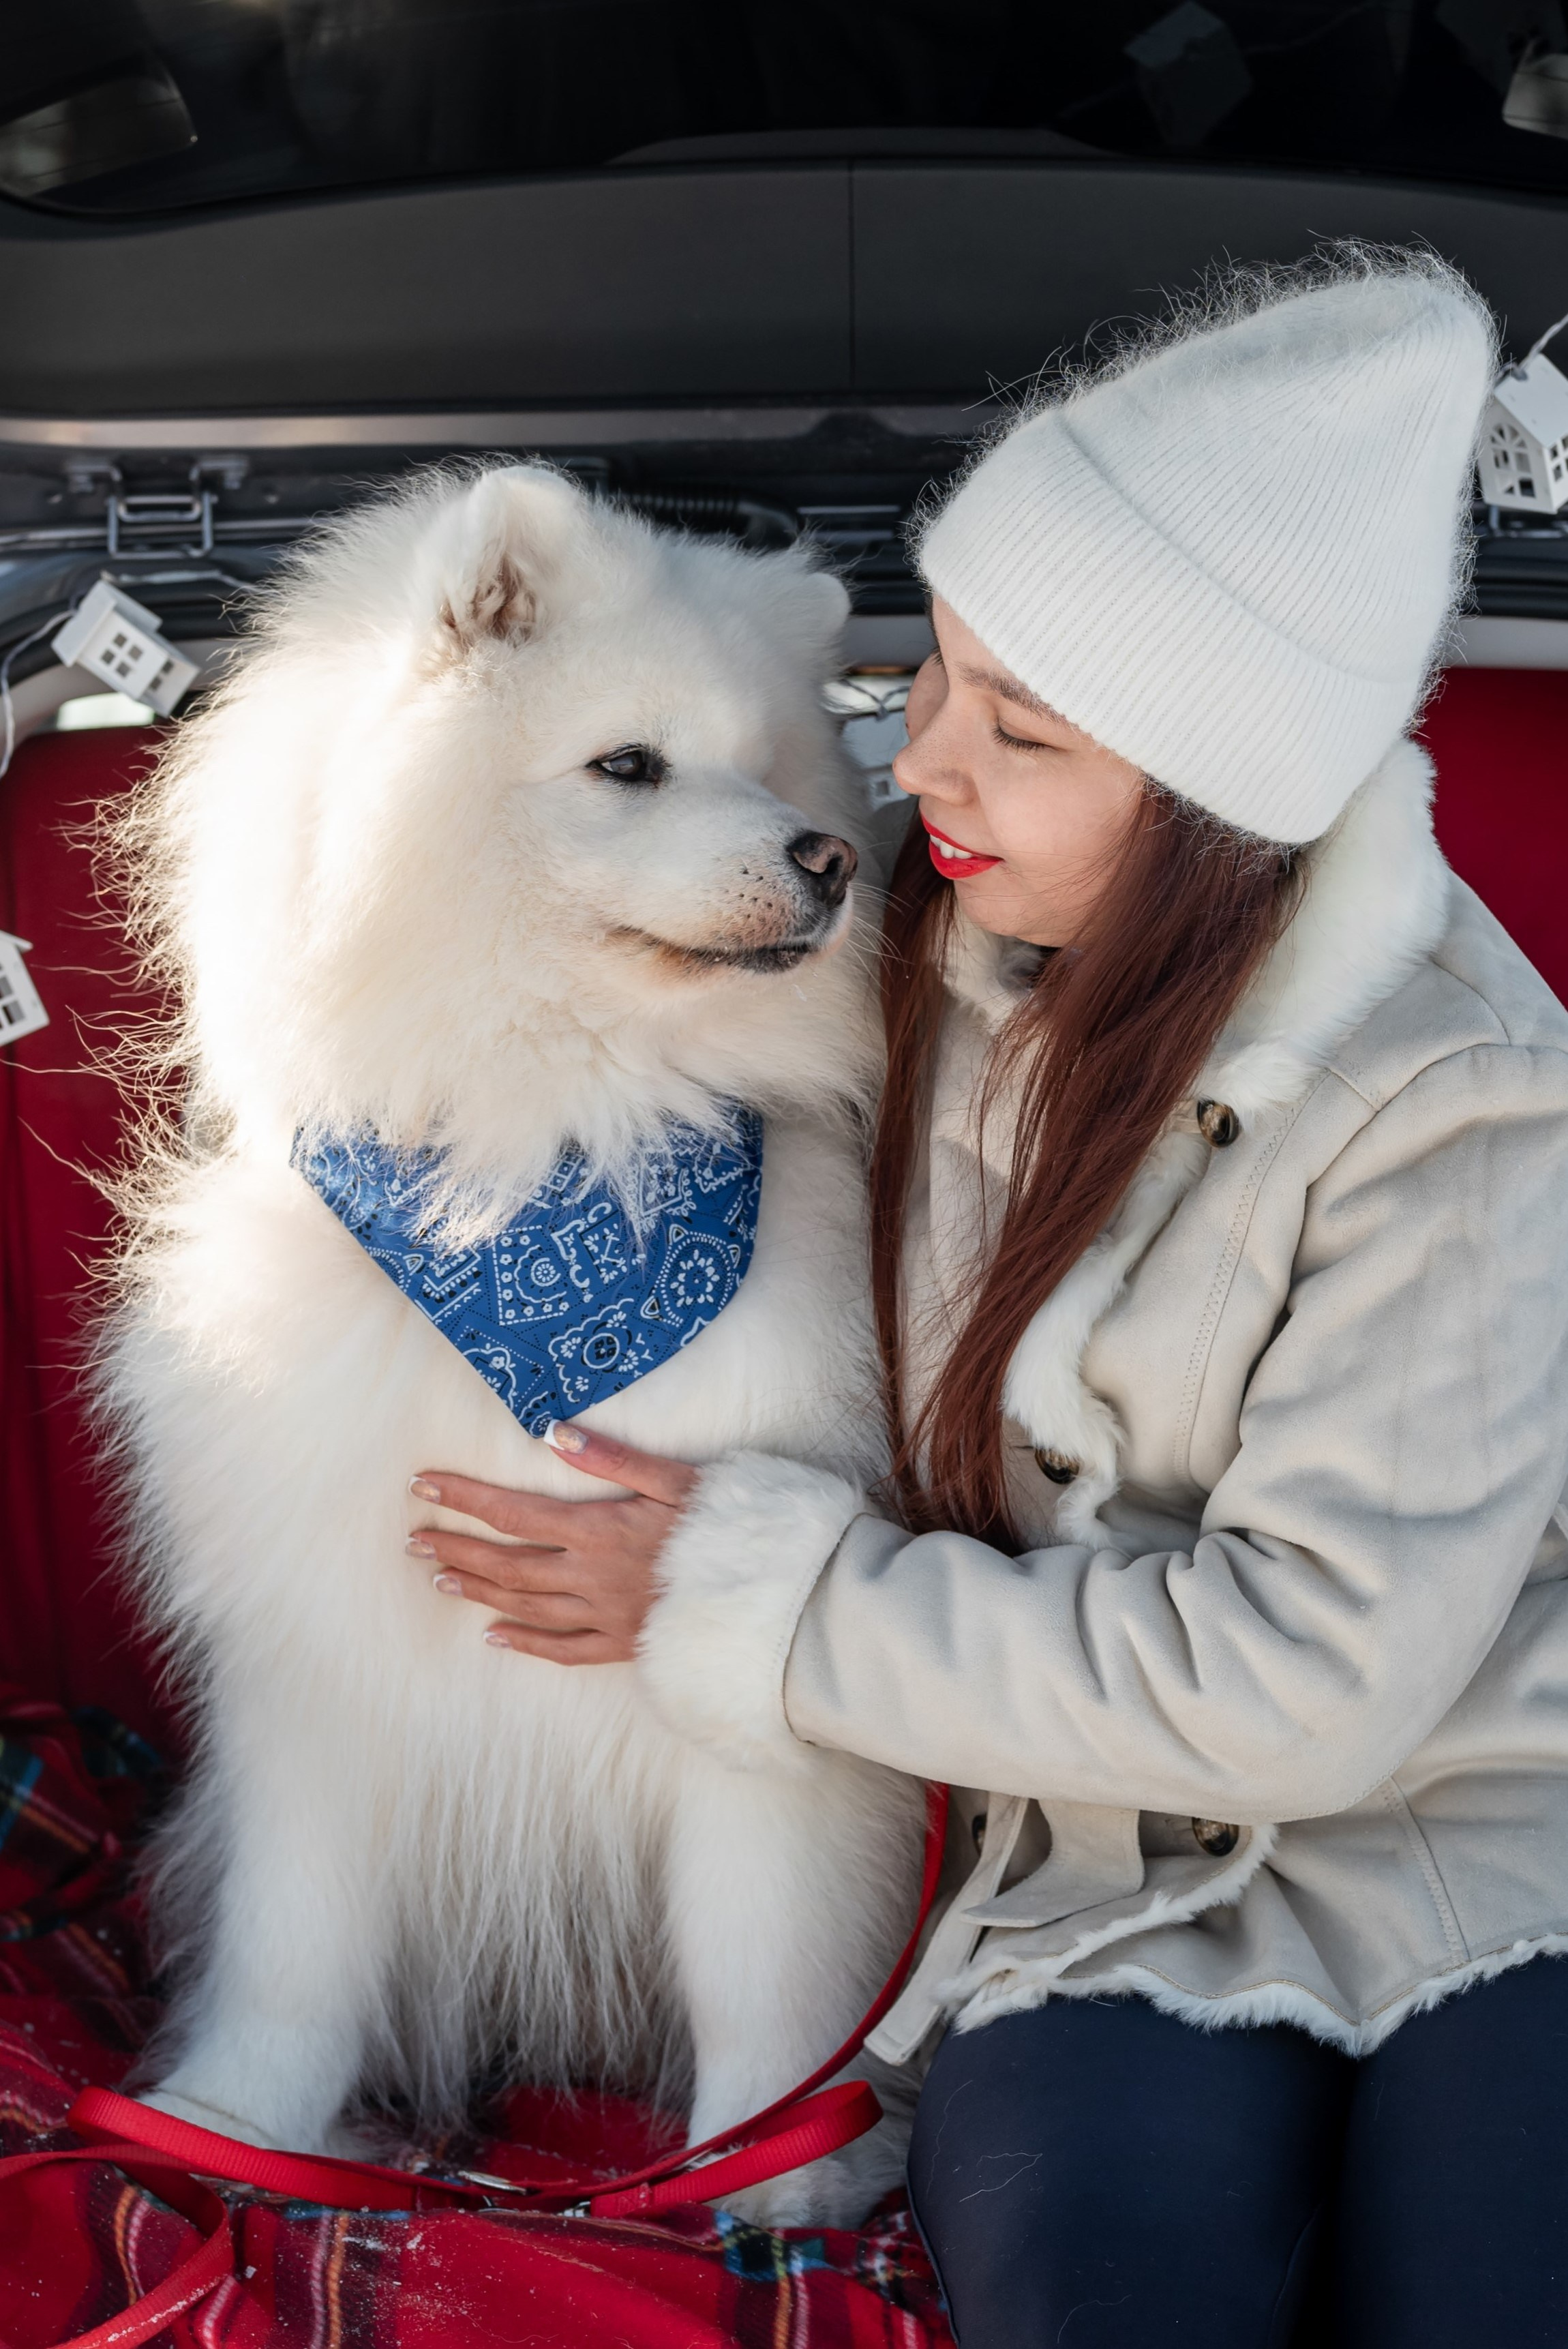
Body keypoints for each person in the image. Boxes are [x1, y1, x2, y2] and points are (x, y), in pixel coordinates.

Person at [399, 254, 1568, 2346]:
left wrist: (748, 1605)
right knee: (1091, 2290)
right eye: (931, 668)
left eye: (1015, 730)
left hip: (1489, 1837)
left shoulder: (1461, 1103)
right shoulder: (919, 937)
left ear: (1216, 818)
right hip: (1101, 1881)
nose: (914, 759)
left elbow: (1308, 1687)